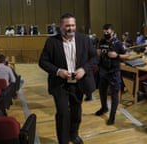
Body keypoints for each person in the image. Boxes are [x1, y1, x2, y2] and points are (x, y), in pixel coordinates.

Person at [39, 13, 97, 144]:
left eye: (73, 25)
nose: (70, 28)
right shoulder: (51, 41)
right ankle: (63, 140)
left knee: (76, 112)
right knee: (63, 113)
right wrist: (58, 71)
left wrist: (83, 69)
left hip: (79, 83)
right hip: (60, 84)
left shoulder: (84, 39)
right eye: (67, 26)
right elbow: (43, 62)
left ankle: (74, 134)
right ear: (60, 27)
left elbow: (94, 58)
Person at [95, 24, 129, 125]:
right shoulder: (101, 41)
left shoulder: (118, 43)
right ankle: (104, 107)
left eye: (108, 32)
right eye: (104, 32)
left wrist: (117, 55)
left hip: (114, 72)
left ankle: (112, 116)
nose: (105, 34)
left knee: (114, 94)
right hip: (103, 71)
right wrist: (98, 53)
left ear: (113, 32)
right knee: (102, 91)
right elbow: (98, 52)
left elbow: (127, 56)